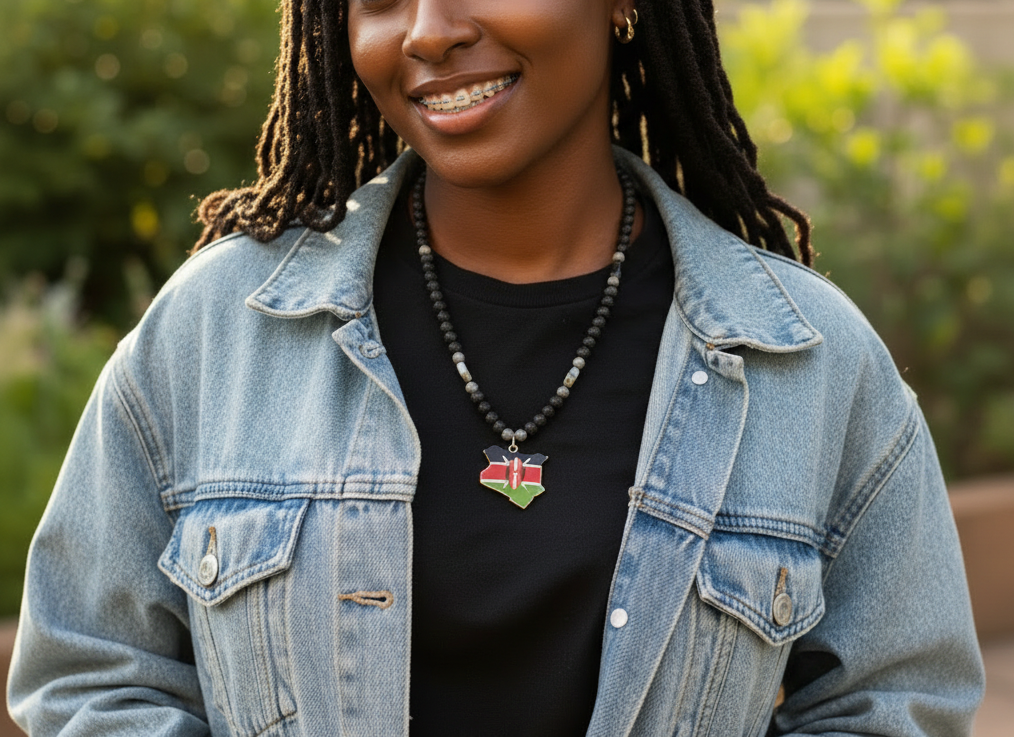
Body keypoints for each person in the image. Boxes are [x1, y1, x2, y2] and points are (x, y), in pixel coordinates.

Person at [8, 1, 984, 735]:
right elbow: (91, 673)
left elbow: (897, 702)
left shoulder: (807, 359)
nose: (428, 32)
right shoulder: (216, 332)